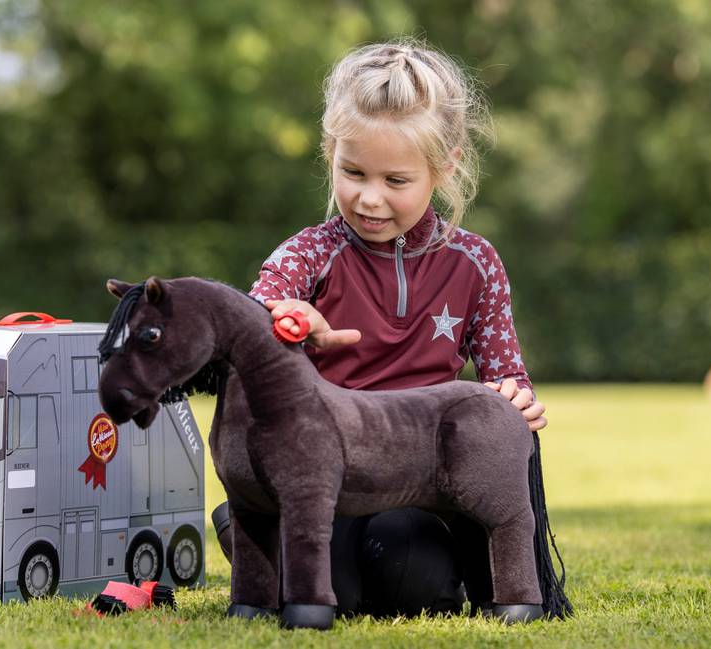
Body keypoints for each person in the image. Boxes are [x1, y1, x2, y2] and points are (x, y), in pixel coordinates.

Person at [211, 39, 548, 618]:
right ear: (329, 153)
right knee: (326, 587)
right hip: (321, 479)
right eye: (353, 172)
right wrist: (288, 323)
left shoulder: (477, 263)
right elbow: (242, 333)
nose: (369, 199)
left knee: (410, 582)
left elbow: (505, 377)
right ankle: (252, 525)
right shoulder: (307, 253)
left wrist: (516, 398)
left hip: (419, 481)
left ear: (444, 167)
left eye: (396, 181)